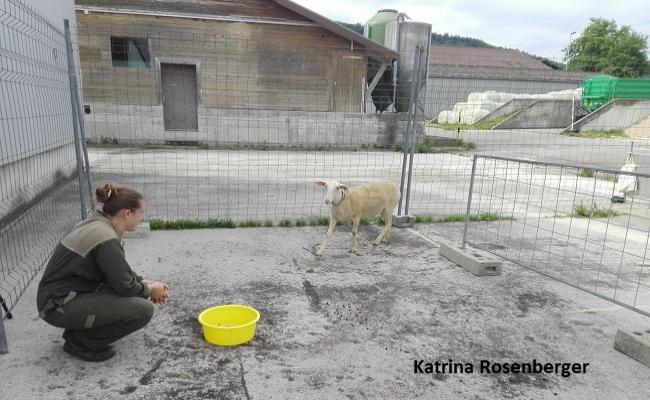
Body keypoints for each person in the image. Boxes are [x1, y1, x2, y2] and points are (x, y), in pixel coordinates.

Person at [37, 183, 170, 362]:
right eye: (142, 213)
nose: (142, 217)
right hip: (56, 306)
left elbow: (117, 272)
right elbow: (125, 286)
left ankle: (80, 327)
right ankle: (80, 342)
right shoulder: (106, 237)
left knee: (131, 294)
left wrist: (146, 283)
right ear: (127, 213)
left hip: (61, 297)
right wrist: (149, 290)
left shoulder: (99, 223)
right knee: (142, 310)